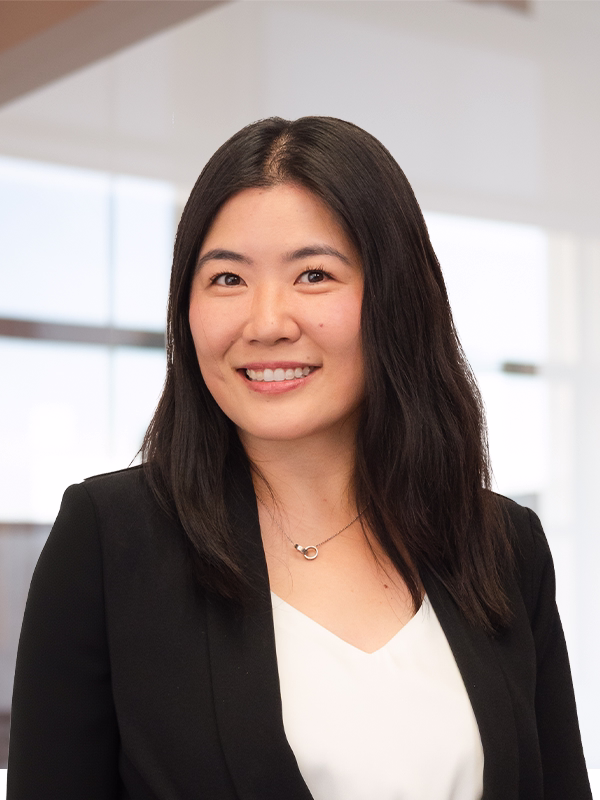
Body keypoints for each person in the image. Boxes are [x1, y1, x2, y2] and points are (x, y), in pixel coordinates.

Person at [7, 117, 592, 800]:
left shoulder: (502, 544)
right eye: (227, 279)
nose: (266, 322)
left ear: (397, 299)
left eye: (314, 275)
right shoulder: (111, 538)